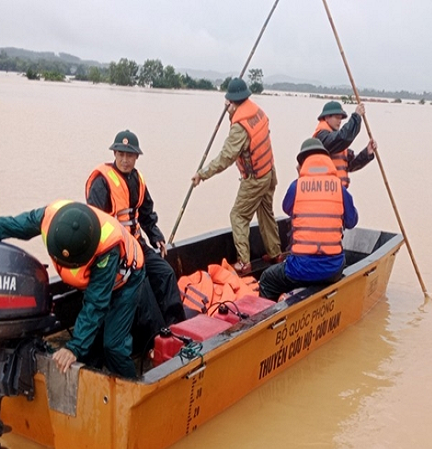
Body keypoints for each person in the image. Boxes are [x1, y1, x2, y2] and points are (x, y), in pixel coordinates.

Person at [0, 200, 145, 379]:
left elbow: (97, 302)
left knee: (114, 346)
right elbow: (12, 225)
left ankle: (133, 390)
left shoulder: (107, 249)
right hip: (95, 280)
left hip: (127, 279)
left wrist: (75, 348)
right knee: (92, 339)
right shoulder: (48, 216)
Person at [86, 129, 186, 329]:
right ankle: (155, 340)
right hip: (116, 253)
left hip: (137, 245)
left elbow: (147, 214)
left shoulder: (138, 180)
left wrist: (156, 236)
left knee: (165, 273)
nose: (125, 160)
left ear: (136, 157)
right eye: (121, 154)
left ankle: (178, 327)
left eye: (129, 155)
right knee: (143, 290)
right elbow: (95, 227)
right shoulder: (102, 183)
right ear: (114, 154)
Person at [190, 77, 282, 275]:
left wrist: (202, 174)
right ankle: (275, 253)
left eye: (228, 103)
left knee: (238, 215)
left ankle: (244, 262)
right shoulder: (257, 111)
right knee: (266, 212)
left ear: (232, 102)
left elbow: (226, 157)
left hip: (256, 177)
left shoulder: (240, 127)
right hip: (269, 171)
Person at [258, 138, 358, 301]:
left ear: (302, 163)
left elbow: (288, 209)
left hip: (300, 269)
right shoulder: (340, 188)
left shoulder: (296, 186)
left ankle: (270, 318)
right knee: (339, 260)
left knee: (268, 279)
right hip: (332, 270)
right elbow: (352, 222)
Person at [312, 100, 378, 188]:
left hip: (340, 191)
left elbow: (350, 165)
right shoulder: (321, 137)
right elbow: (343, 137)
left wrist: (367, 152)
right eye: (337, 117)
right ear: (326, 117)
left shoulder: (337, 141)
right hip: (326, 190)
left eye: (340, 118)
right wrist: (356, 117)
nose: (339, 121)